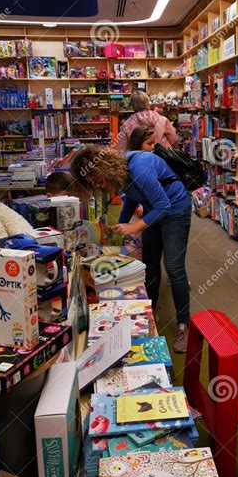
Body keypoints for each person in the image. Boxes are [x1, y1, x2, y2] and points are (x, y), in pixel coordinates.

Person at [71, 145, 191, 353]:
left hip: (175, 209)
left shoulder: (139, 168)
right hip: (155, 210)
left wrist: (134, 226)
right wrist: (117, 232)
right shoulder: (122, 173)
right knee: (150, 264)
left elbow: (164, 205)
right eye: (93, 184)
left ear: (105, 169)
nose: (99, 186)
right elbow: (132, 199)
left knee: (174, 267)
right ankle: (149, 310)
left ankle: (184, 324)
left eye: (98, 180)